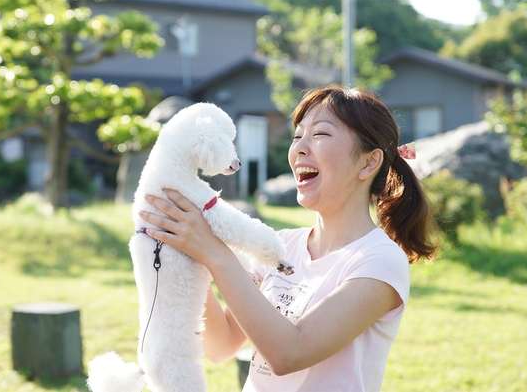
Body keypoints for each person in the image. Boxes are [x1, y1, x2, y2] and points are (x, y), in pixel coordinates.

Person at [139, 86, 438, 391]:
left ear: (368, 162)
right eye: (297, 136)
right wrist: (184, 252)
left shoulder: (379, 261)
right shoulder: (282, 247)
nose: (299, 148)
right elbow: (222, 344)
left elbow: (289, 353)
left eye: (320, 134)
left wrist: (214, 254)